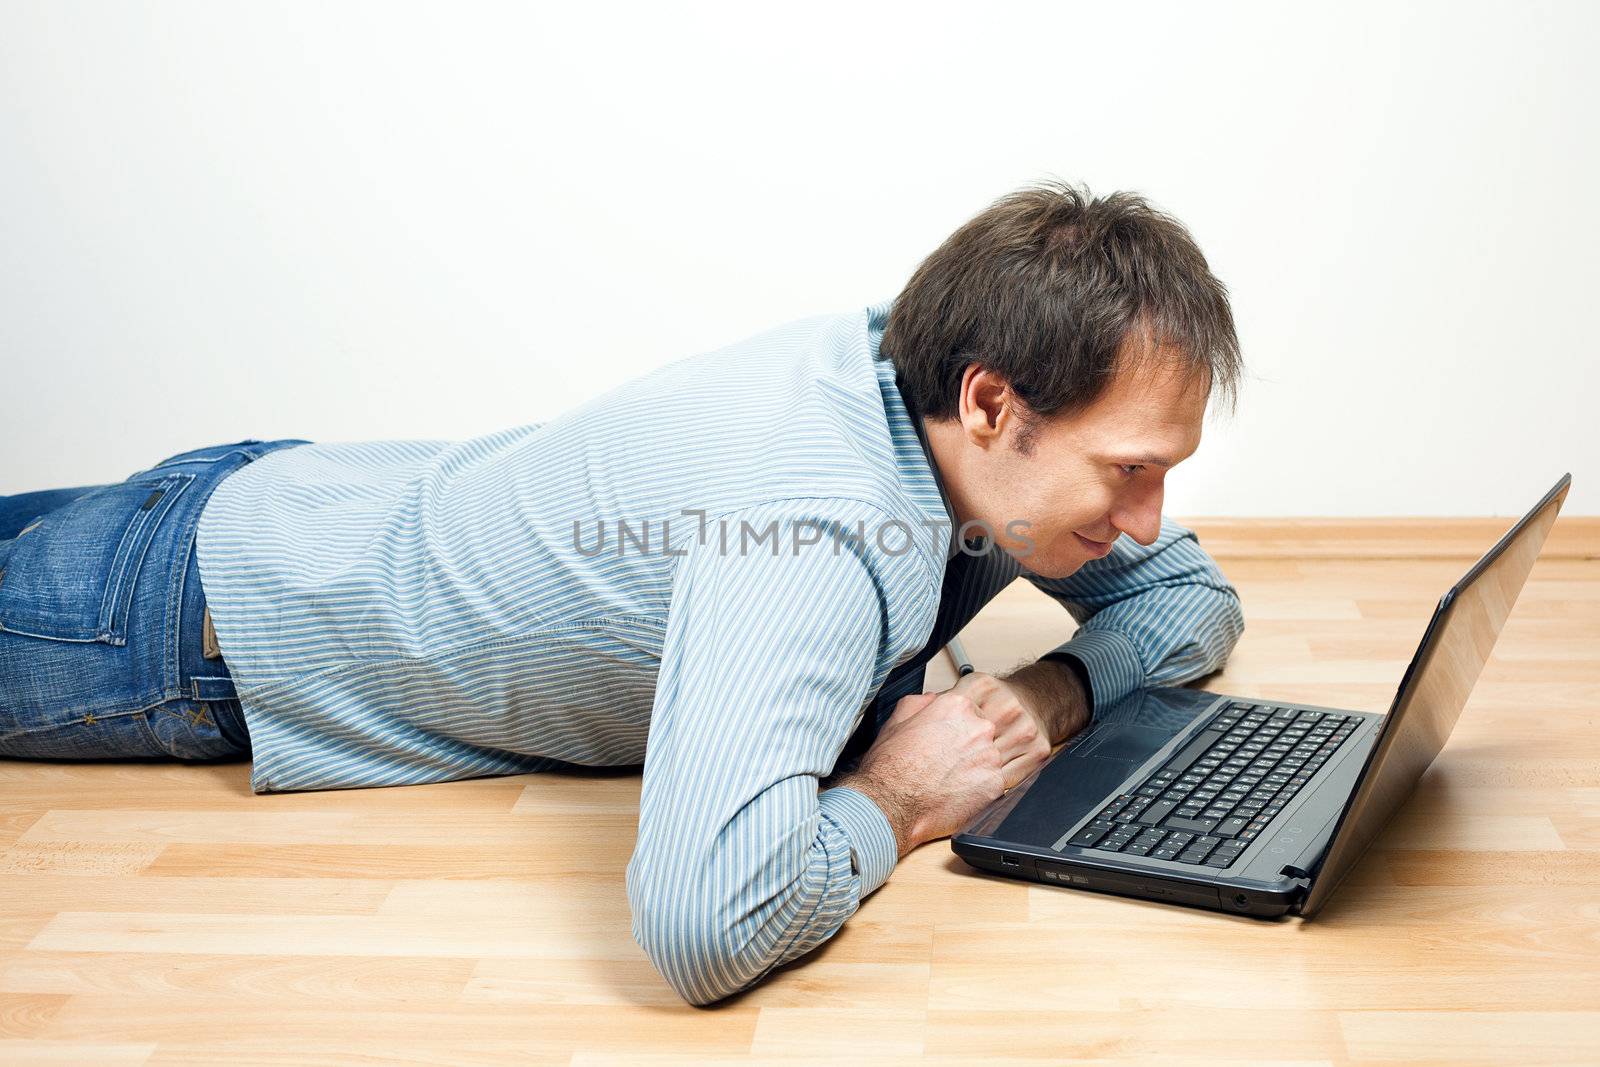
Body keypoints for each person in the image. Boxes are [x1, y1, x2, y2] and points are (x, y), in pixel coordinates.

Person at [0, 179, 1245, 1005]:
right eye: (1128, 472)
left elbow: (1189, 597)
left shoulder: (939, 405)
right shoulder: (809, 526)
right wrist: (899, 795)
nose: (1145, 521)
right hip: (170, 623)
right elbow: (706, 921)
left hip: (280, 499)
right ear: (990, 401)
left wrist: (1056, 687)